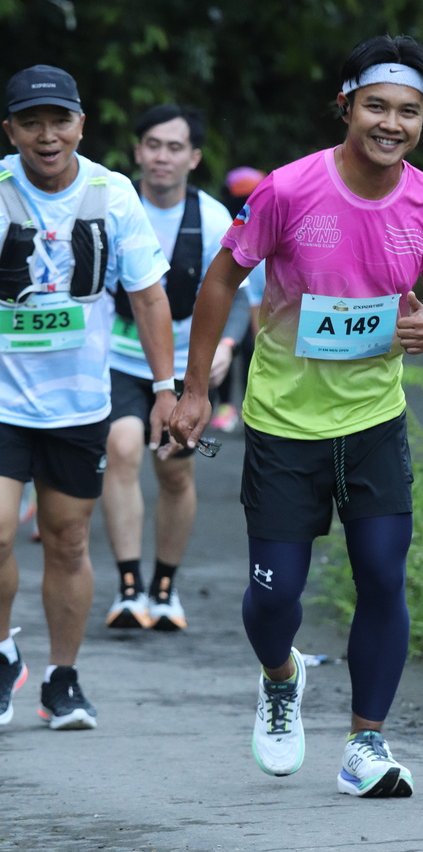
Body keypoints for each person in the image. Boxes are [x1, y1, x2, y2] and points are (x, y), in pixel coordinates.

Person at [168, 35, 423, 797]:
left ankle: (366, 743)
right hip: (284, 424)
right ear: (345, 105)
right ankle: (282, 676)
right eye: (376, 105)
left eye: (408, 111)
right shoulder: (289, 189)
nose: (391, 123)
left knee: (382, 576)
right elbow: (222, 278)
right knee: (276, 596)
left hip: (373, 423)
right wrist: (195, 390)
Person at [0, 65, 175, 730]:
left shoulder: (113, 193)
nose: (47, 136)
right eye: (31, 123)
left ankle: (61, 680)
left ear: (81, 124)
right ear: (10, 130)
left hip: (78, 404)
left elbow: (149, 296)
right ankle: (2, 653)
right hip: (2, 401)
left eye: (60, 121)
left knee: (69, 540)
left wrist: (166, 390)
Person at [102, 105, 249, 632]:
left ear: (194, 158)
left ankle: (164, 588)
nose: (162, 156)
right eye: (153, 145)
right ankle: (128, 588)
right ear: (137, 151)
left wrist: (226, 345)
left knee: (173, 468)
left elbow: (237, 294)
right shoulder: (113, 209)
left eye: (174, 147)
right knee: (121, 447)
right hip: (120, 357)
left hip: (187, 363)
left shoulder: (213, 219)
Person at [210, 167, 266, 433]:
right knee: (228, 348)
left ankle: (246, 405)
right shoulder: (224, 226)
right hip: (232, 304)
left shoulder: (266, 225)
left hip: (256, 304)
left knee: (249, 349)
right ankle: (226, 407)